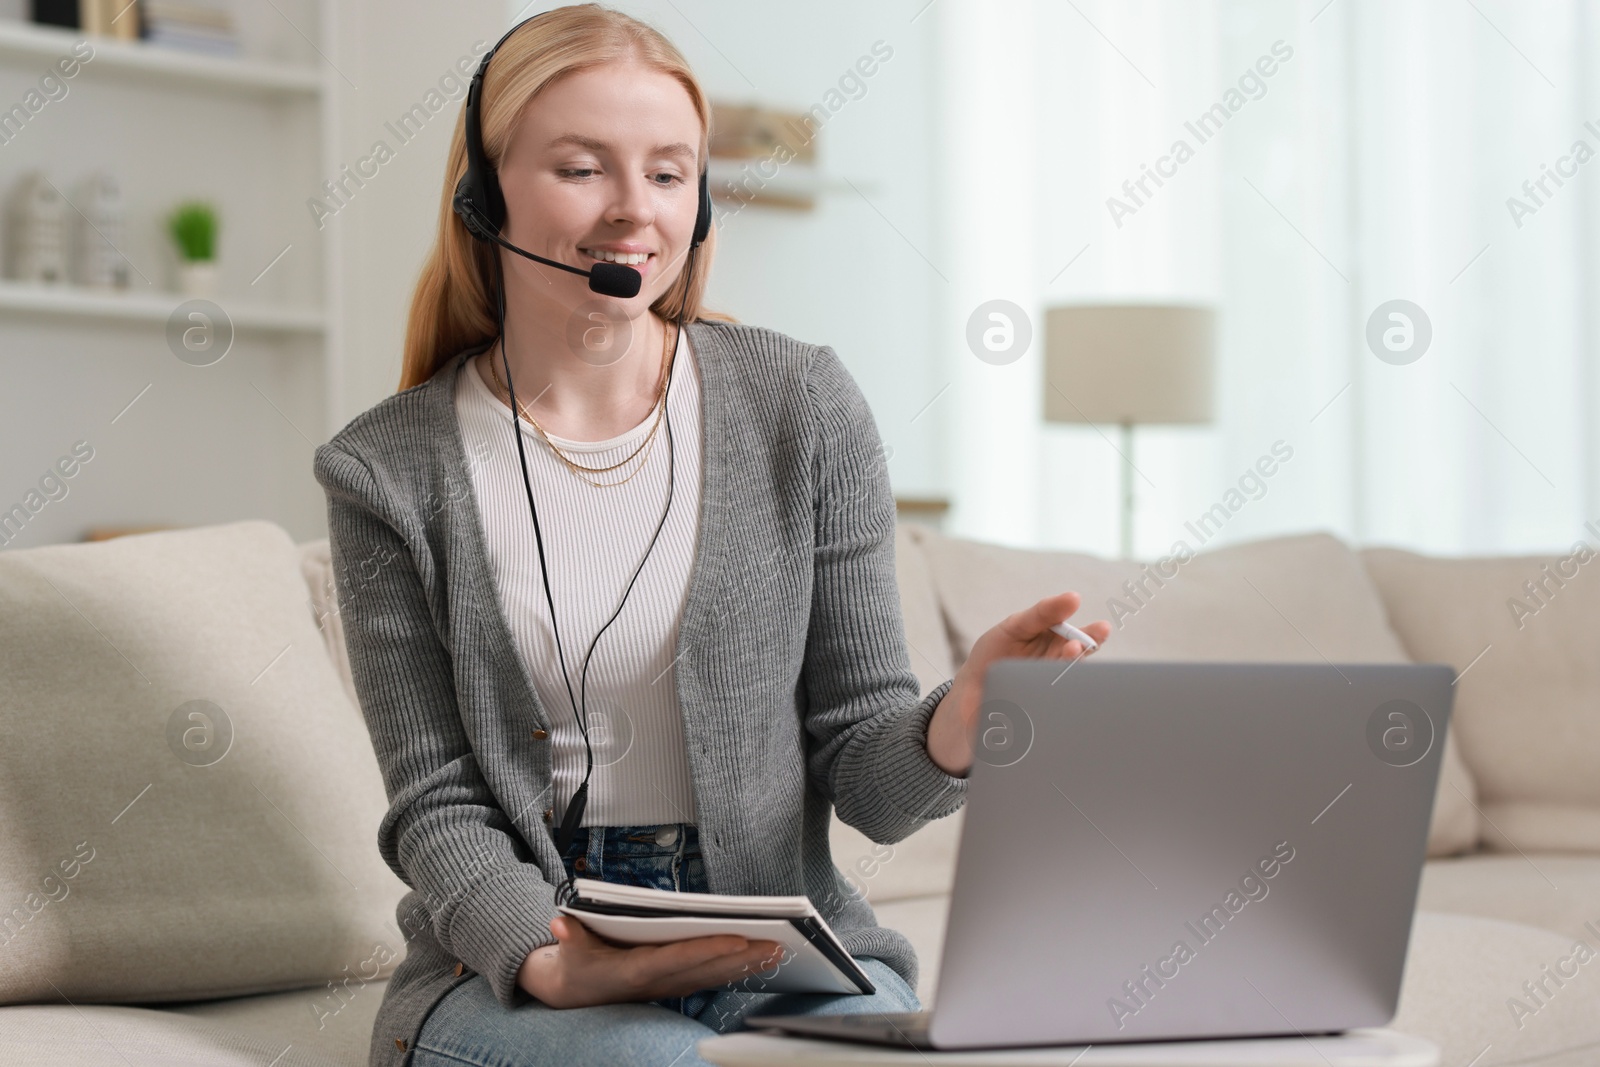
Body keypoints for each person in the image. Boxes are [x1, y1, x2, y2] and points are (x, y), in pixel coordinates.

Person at [311, 6, 1110, 1066]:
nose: (633, 212)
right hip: (520, 966)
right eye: (582, 168)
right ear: (483, 193)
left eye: (670, 172)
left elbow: (869, 781)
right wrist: (549, 955)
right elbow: (437, 800)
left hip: (778, 951)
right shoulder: (386, 468)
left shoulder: (801, 406)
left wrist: (959, 720)